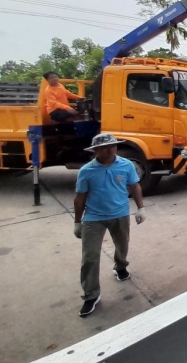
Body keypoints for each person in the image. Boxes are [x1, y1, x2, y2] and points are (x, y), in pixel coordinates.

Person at [73, 133, 146, 317]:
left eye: (113, 146)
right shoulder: (86, 171)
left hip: (120, 214)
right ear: (95, 150)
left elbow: (134, 186)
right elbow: (80, 197)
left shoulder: (126, 165)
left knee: (122, 245)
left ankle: (120, 266)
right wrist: (77, 222)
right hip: (93, 217)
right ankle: (91, 295)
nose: (110, 149)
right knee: (90, 257)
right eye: (105, 147)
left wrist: (140, 208)